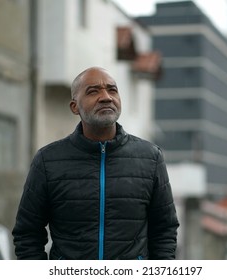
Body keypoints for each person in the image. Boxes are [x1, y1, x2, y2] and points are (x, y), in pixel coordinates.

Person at [12, 66, 179, 260]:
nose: (106, 97)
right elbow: (27, 233)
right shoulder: (48, 160)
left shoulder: (150, 157)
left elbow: (165, 230)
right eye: (93, 91)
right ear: (75, 106)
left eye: (112, 90)